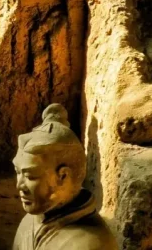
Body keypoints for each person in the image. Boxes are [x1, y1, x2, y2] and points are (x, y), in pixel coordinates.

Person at [13, 105, 116, 250]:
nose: (19, 185)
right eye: (18, 172)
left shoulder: (89, 244)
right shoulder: (30, 222)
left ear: (63, 176)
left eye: (30, 176)